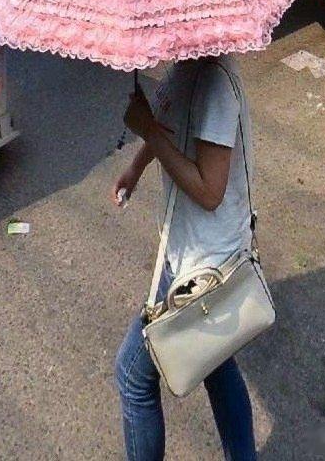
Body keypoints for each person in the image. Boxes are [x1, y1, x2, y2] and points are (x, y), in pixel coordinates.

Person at [113, 62, 258, 461]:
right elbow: (169, 123)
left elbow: (210, 192)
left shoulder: (215, 85)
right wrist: (136, 166)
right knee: (217, 365)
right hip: (192, 251)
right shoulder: (186, 68)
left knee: (132, 375)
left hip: (203, 267)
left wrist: (146, 130)